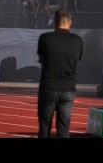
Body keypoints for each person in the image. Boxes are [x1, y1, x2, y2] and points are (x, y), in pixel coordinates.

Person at [37, 9, 83, 138]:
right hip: (68, 88)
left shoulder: (45, 38)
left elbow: (41, 59)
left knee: (44, 126)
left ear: (55, 23)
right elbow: (76, 60)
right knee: (63, 128)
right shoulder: (77, 40)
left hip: (49, 87)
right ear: (70, 23)